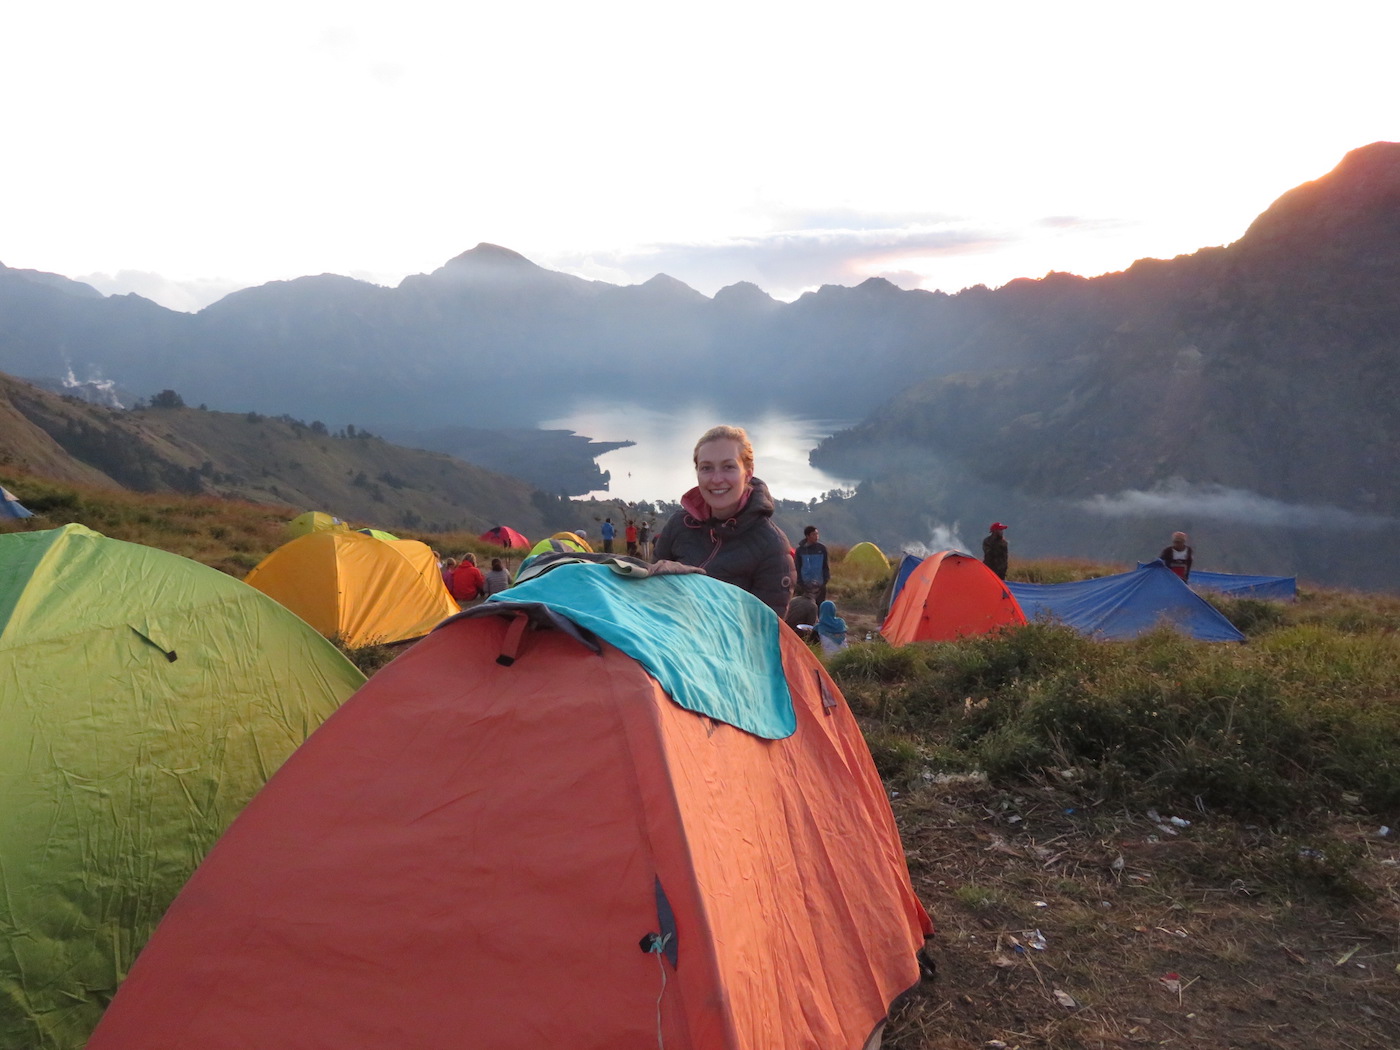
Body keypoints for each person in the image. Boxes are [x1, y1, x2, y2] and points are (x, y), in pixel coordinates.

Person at [652, 424, 794, 617]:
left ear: (748, 473)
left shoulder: (771, 546)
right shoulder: (679, 524)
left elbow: (765, 631)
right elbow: (652, 593)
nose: (717, 479)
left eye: (728, 467)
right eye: (706, 468)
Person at [794, 525, 831, 604]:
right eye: (814, 534)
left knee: (819, 607)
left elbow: (825, 566)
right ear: (807, 536)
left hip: (820, 585)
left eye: (817, 534)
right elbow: (797, 567)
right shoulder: (800, 550)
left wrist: (825, 581)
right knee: (805, 607)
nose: (816, 536)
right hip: (805, 586)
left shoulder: (822, 549)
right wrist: (800, 583)